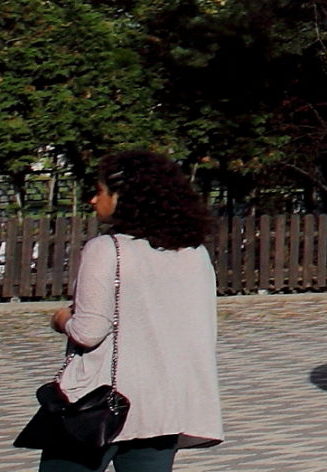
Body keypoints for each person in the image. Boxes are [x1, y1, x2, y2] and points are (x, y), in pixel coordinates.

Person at [40, 153, 220, 467]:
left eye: (100, 190)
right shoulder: (194, 251)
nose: (93, 199)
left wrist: (62, 319)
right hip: (165, 405)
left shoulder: (107, 249)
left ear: (123, 195)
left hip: (101, 404)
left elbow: (88, 331)